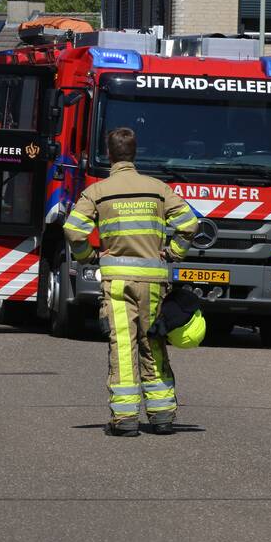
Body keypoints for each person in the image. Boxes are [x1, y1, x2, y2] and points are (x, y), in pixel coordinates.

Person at [63, 127, 199, 437]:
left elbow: (73, 229)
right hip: (153, 283)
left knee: (123, 346)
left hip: (117, 283)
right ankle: (162, 416)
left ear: (109, 154)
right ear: (134, 154)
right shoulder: (157, 189)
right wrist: (172, 253)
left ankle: (124, 419)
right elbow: (190, 224)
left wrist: (90, 255)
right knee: (152, 343)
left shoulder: (98, 191)